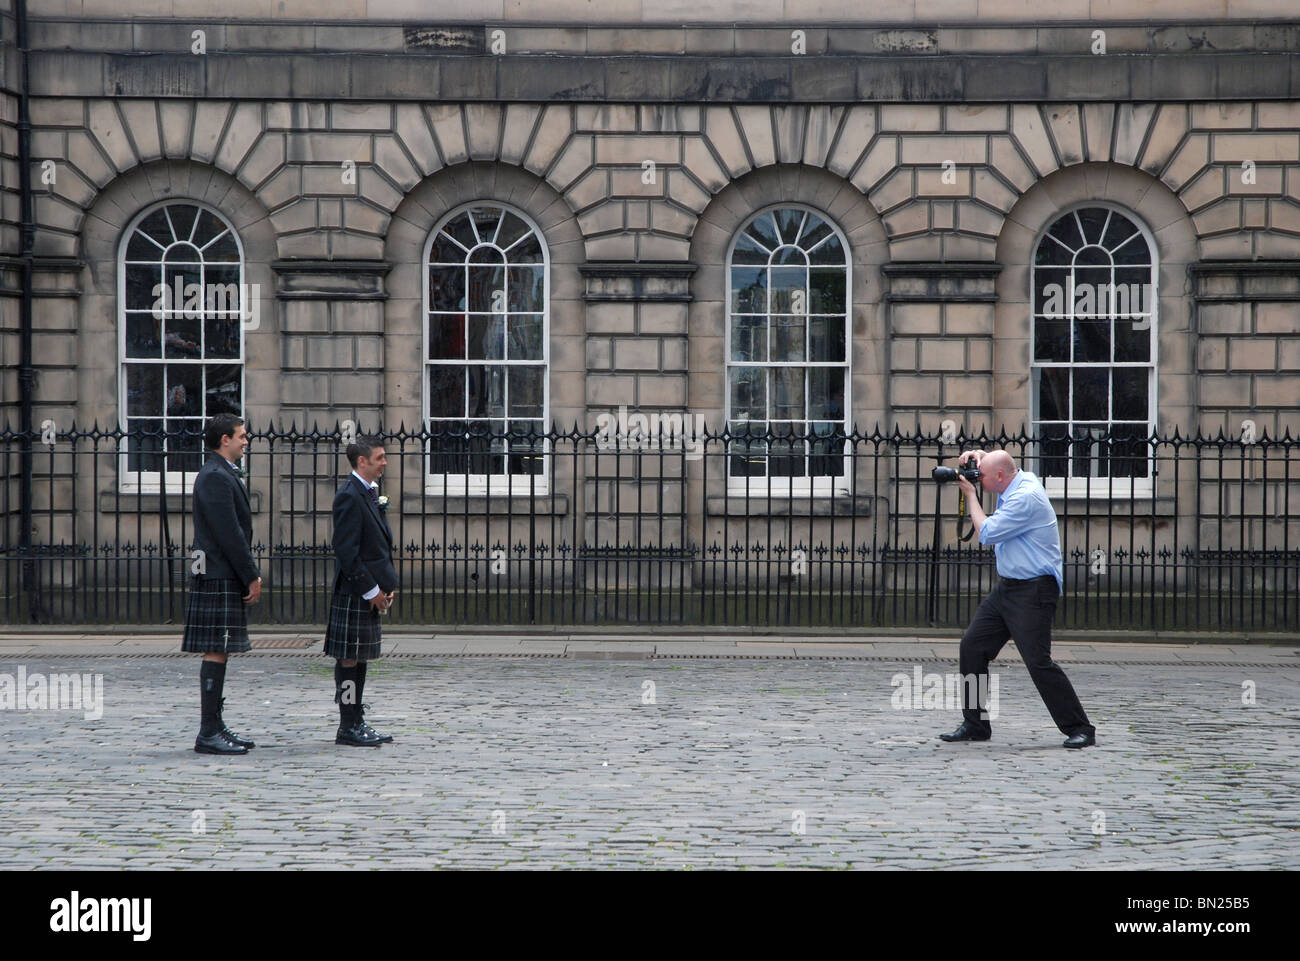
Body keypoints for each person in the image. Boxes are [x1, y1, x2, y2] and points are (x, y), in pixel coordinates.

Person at [938, 449, 1097, 749]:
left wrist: (970, 495)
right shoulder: (1014, 479)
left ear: (999, 476)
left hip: (1034, 590)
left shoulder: (1026, 497)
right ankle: (975, 725)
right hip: (1008, 588)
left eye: (981, 475)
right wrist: (980, 455)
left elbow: (986, 533)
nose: (977, 478)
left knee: (1038, 662)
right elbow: (1000, 465)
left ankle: (1081, 728)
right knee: (972, 646)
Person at [182, 413, 262, 755]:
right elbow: (229, 533)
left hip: (221, 572)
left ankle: (215, 726)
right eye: (241, 436)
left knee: (221, 648)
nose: (246, 440)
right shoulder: (214, 476)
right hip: (218, 573)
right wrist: (251, 575)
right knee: (216, 647)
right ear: (224, 439)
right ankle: (208, 731)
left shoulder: (222, 473)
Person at [323, 435, 397, 747]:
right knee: (349, 659)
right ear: (362, 461)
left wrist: (385, 585)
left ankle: (356, 720)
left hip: (368, 590)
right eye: (379, 458)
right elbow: (347, 551)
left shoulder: (368, 493)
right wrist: (371, 591)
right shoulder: (350, 495)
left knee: (359, 658)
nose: (385, 463)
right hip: (355, 591)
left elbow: (377, 547)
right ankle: (347, 724)